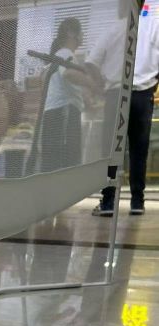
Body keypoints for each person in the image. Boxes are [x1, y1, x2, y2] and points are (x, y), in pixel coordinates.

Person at [88, 0, 159, 216]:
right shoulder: (153, 27)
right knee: (139, 151)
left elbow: (91, 63)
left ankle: (109, 201)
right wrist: (153, 83)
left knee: (111, 151)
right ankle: (137, 201)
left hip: (115, 95)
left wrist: (100, 84)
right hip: (142, 96)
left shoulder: (113, 29)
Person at [41, 18, 98, 172]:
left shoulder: (59, 56)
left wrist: (88, 101)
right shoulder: (65, 53)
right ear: (72, 33)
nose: (83, 35)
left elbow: (70, 86)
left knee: (54, 166)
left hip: (56, 115)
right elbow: (69, 74)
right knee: (66, 165)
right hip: (63, 114)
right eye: (81, 32)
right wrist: (92, 83)